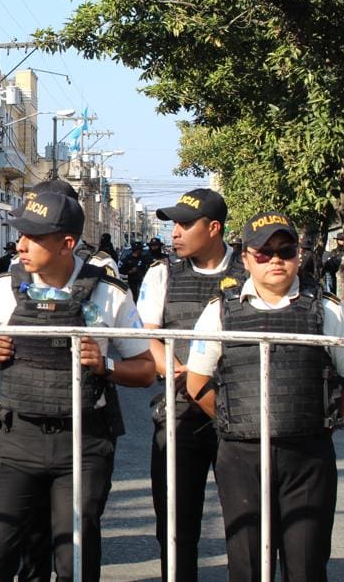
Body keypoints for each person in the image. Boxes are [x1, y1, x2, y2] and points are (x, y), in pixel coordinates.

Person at [0, 191, 155, 581]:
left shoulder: (109, 294)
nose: (20, 245)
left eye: (33, 237)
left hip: (83, 443)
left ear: (67, 243)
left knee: (75, 561)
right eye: (20, 235)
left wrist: (105, 365)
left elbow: (145, 369)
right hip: (17, 439)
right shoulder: (2, 289)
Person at [186, 211, 344, 581]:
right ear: (246, 258)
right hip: (241, 455)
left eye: (286, 250)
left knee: (306, 563)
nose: (276, 260)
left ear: (299, 254)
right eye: (264, 252)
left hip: (308, 456)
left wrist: (322, 424)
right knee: (247, 564)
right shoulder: (219, 312)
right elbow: (196, 384)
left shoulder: (327, 310)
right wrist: (238, 419)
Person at [136, 188, 246, 582]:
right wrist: (175, 369)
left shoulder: (249, 271)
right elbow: (146, 335)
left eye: (185, 224)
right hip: (180, 412)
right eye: (174, 225)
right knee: (176, 526)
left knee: (246, 524)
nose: (175, 233)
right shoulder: (162, 273)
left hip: (240, 411)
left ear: (214, 228)